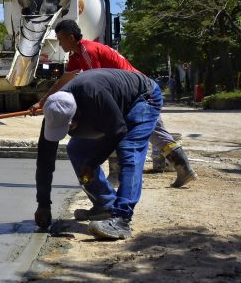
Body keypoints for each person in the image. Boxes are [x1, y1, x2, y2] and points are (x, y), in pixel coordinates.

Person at [32, 20, 196, 188]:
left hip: (137, 93)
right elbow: (64, 80)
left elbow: (94, 85)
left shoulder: (88, 51)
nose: (59, 44)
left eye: (60, 40)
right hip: (134, 92)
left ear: (71, 37)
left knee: (116, 129)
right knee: (154, 132)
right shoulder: (78, 55)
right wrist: (43, 102)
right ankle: (183, 169)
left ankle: (119, 176)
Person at [34, 68, 162, 240]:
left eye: (68, 128)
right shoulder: (55, 109)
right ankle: (105, 204)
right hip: (111, 105)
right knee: (76, 149)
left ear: (77, 114)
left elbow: (118, 131)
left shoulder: (94, 95)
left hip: (143, 98)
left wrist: (92, 163)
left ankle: (121, 219)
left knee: (128, 150)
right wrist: (43, 204)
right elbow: (44, 160)